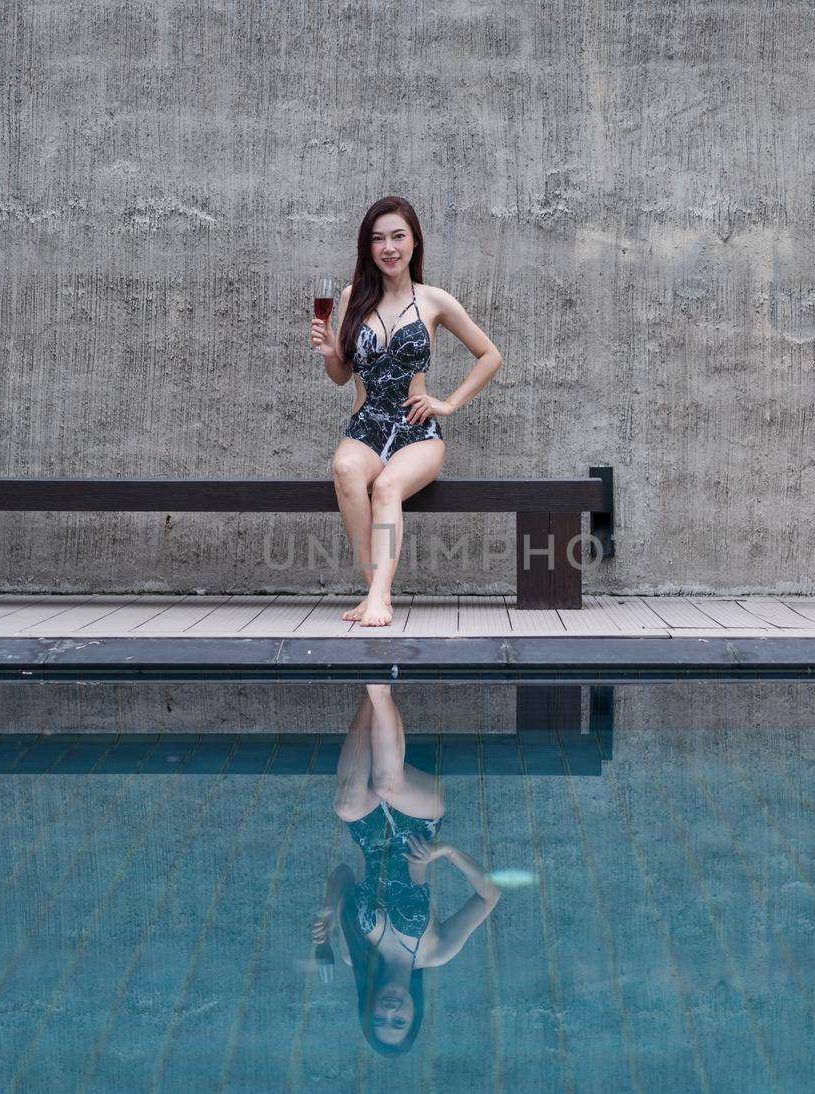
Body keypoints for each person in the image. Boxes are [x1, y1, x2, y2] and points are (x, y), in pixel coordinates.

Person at [309, 197, 503, 628]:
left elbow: (489, 355)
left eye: (398, 236)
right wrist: (328, 351)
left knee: (389, 486)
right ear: (368, 247)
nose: (388, 247)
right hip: (366, 426)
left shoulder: (434, 300)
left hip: (416, 431)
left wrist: (448, 403)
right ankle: (376, 590)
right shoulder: (350, 297)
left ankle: (378, 598)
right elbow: (341, 376)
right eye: (378, 239)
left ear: (414, 242)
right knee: (345, 469)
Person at [311, 684, 502, 1055]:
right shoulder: (435, 952)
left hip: (367, 830)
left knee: (346, 807)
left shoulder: (355, 953)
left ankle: (374, 689)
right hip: (421, 820)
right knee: (386, 784)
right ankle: (379, 688)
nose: (390, 1012)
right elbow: (489, 894)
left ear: (368, 1010)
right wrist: (447, 852)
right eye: (400, 1021)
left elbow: (343, 874)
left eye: (379, 1020)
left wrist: (329, 909)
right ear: (415, 1013)